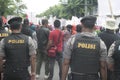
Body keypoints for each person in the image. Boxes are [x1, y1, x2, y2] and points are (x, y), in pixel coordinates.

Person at [62, 16, 107, 80]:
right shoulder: (100, 43)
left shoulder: (72, 40)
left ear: (82, 25)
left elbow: (66, 63)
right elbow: (103, 66)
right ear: (94, 27)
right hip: (93, 77)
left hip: (76, 76)